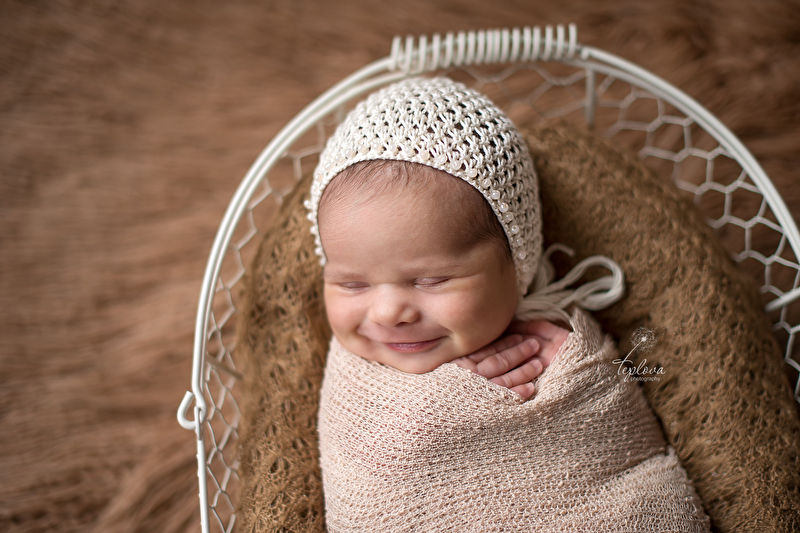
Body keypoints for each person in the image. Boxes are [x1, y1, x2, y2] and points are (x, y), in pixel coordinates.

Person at [305, 77, 709, 532]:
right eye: (352, 284)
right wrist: (436, 408)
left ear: (516, 265)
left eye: (431, 280)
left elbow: (620, 454)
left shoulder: (555, 346)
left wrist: (585, 373)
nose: (387, 313)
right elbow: (365, 499)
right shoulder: (353, 378)